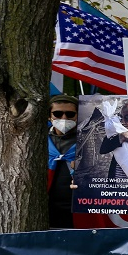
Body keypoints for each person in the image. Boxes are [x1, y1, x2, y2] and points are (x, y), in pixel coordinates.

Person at [47, 94, 80, 228]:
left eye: (70, 114)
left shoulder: (89, 141)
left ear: (78, 116)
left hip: (79, 210)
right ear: (49, 116)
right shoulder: (38, 142)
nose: (64, 118)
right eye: (58, 113)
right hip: (47, 211)